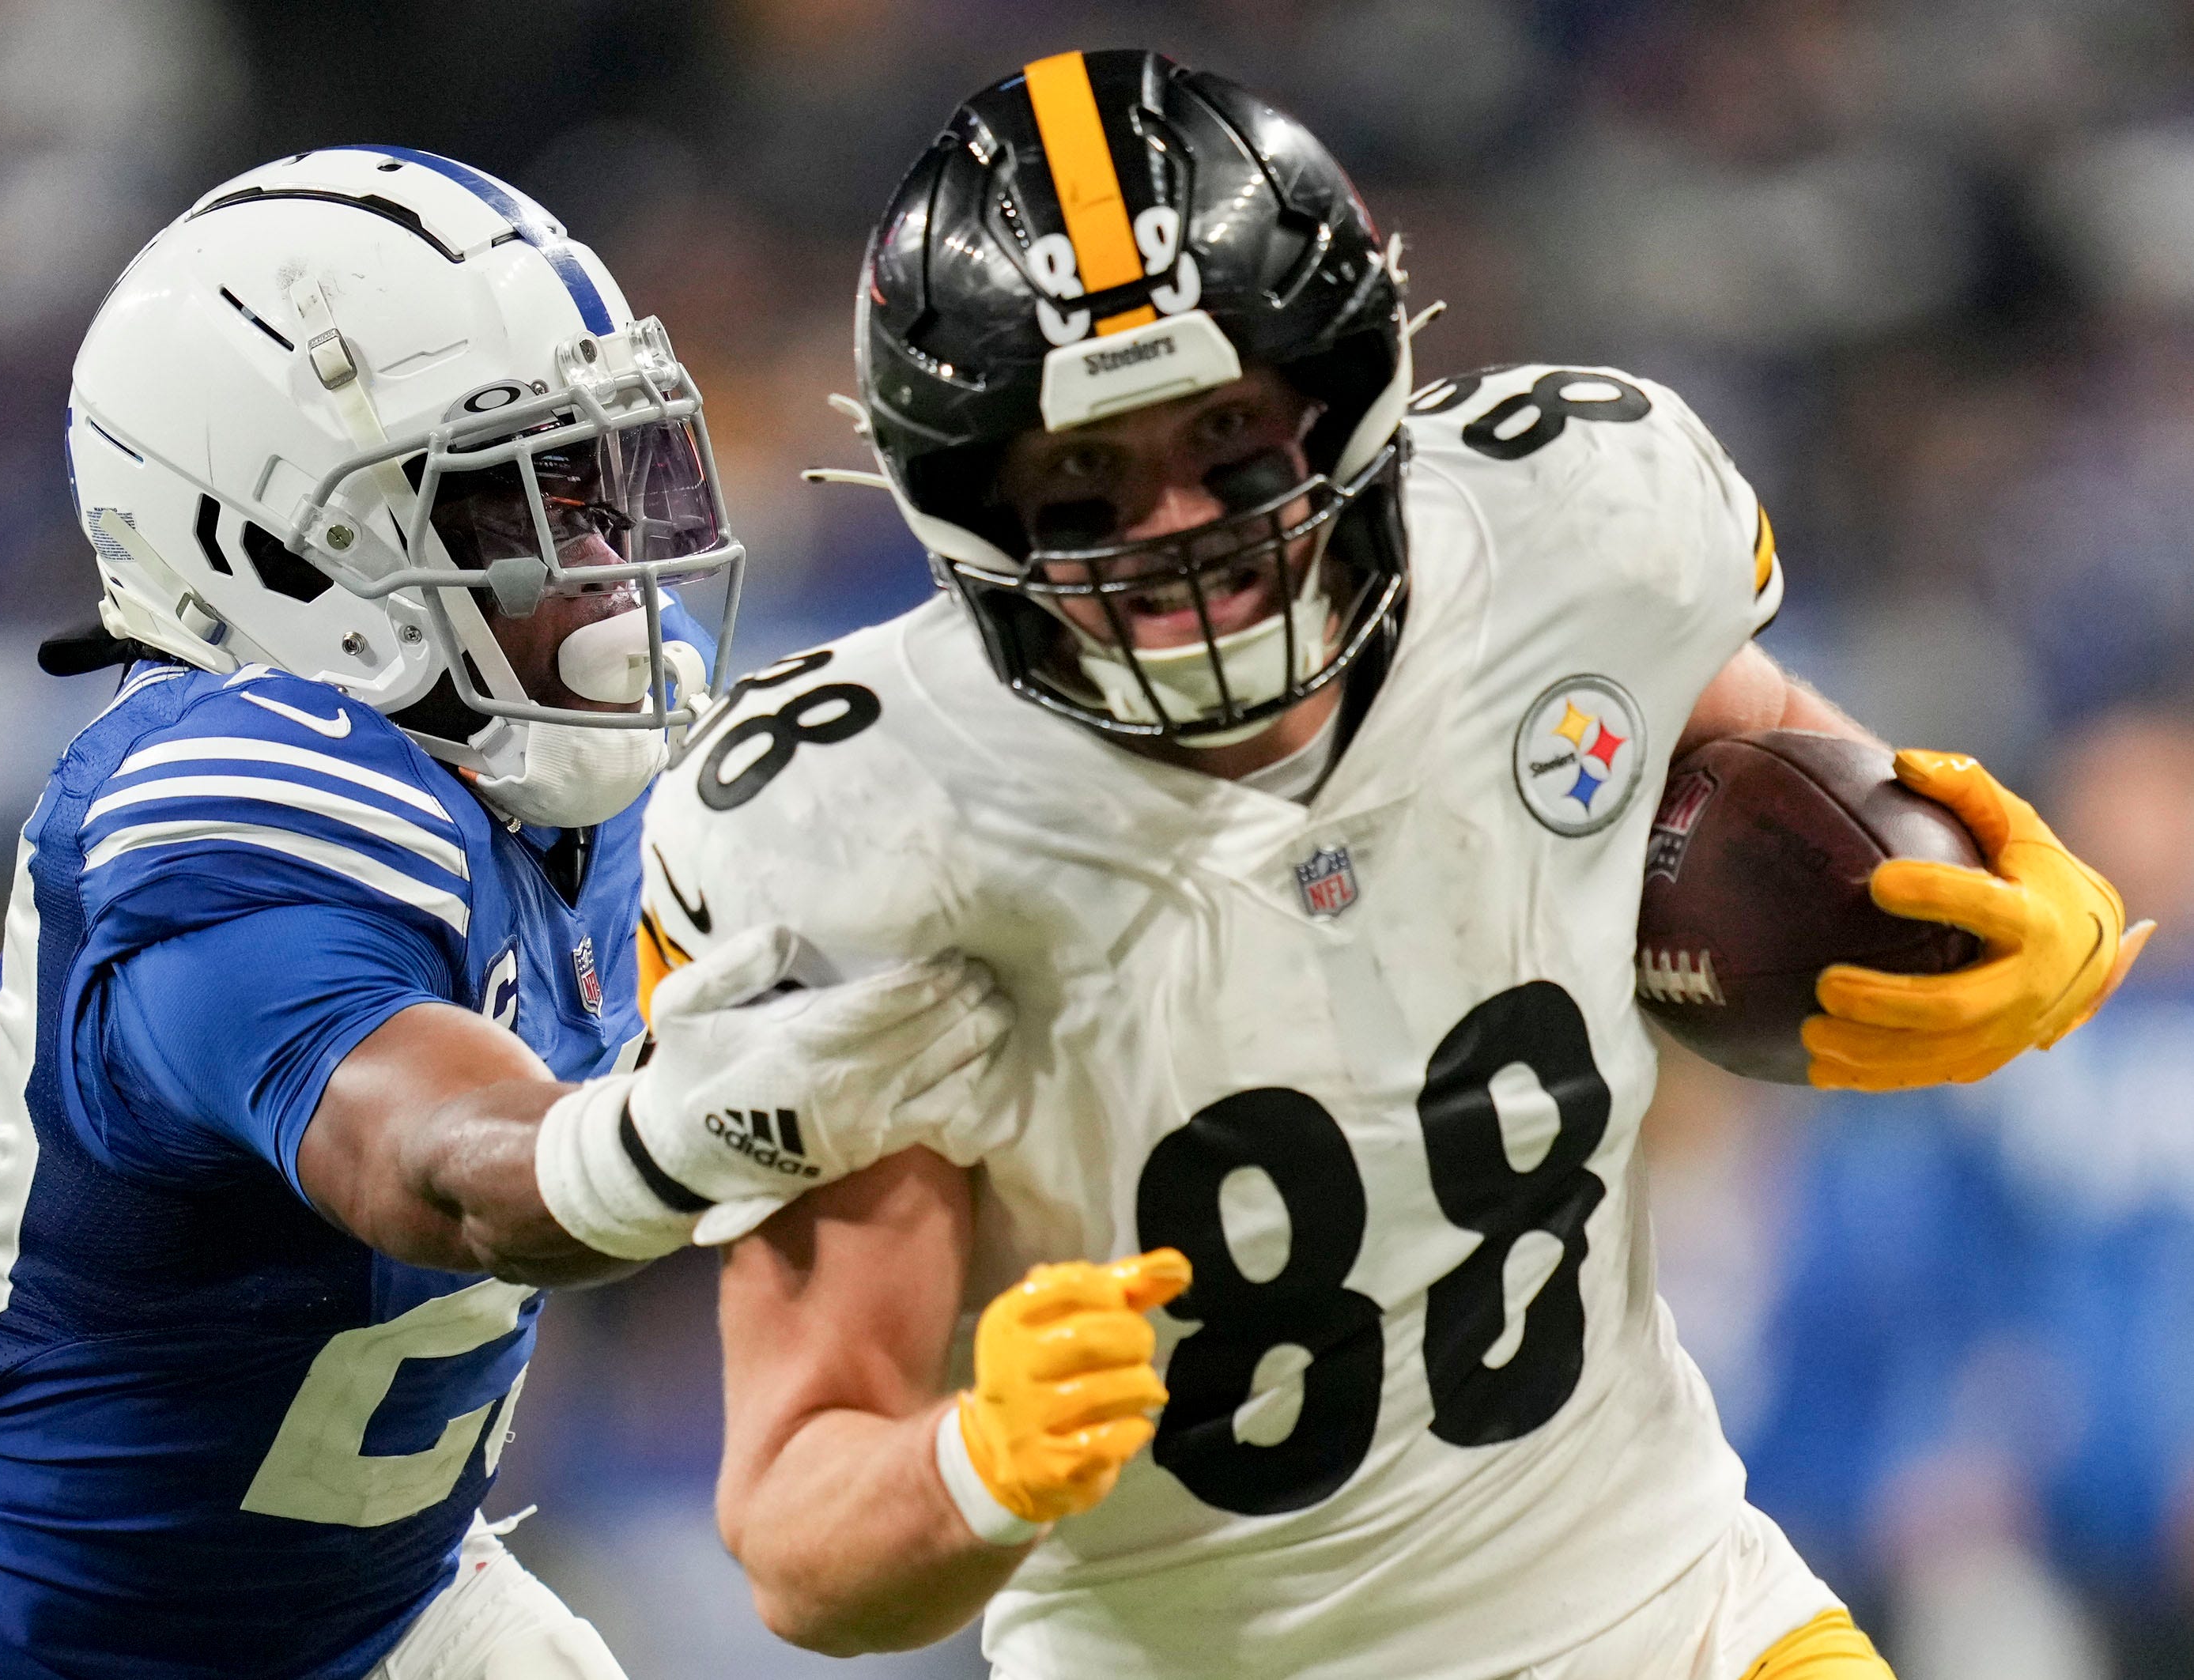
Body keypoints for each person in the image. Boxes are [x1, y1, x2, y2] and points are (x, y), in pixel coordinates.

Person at [634, 51, 2147, 1680]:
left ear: (1344, 392)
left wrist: (2002, 893)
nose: (1179, 534)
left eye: (1227, 438)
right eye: (1083, 480)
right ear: (965, 501)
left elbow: (1797, 785)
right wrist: (967, 1467)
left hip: (1675, 1612)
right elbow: (798, 1535)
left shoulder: (1570, 530)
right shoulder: (856, 834)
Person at [0, 148, 1009, 1680]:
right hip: (55, 1651)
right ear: (276, 546)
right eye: (525, 501)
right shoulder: (232, 799)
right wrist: (751, 1100)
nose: (606, 565)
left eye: (598, 483)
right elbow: (442, 1171)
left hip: (396, 1615)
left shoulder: (596, 787)